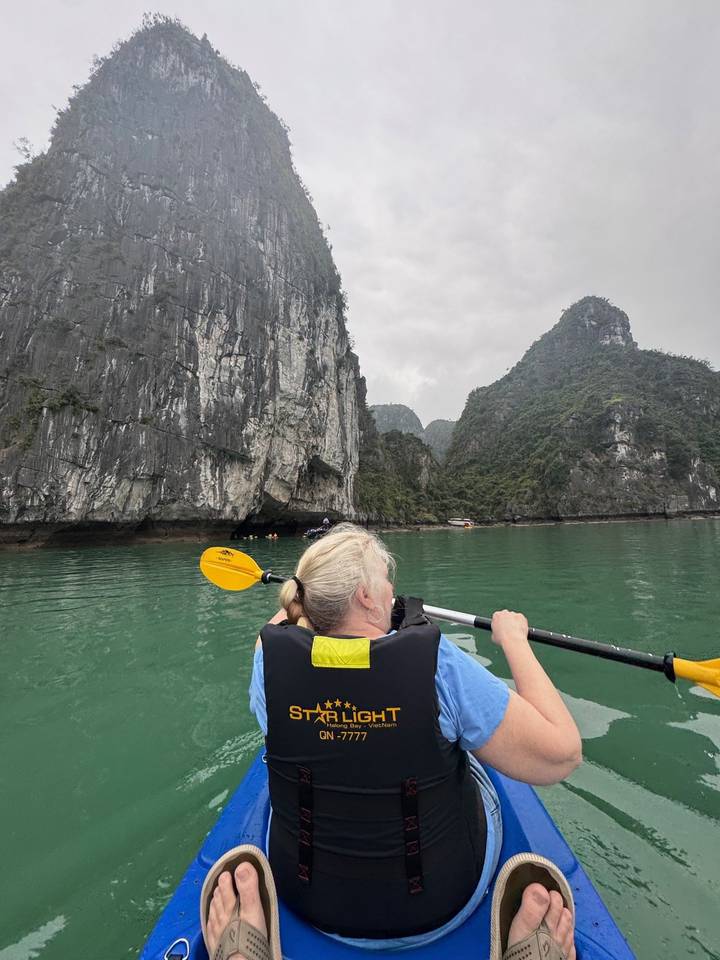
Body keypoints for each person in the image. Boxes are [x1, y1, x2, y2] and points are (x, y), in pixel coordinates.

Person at [240, 523, 581, 949]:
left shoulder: (267, 666)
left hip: (310, 898)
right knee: (468, 750)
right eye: (385, 578)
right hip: (440, 902)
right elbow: (562, 755)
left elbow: (273, 630)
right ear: (365, 595)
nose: (391, 588)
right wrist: (514, 641)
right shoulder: (439, 668)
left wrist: (309, 601)